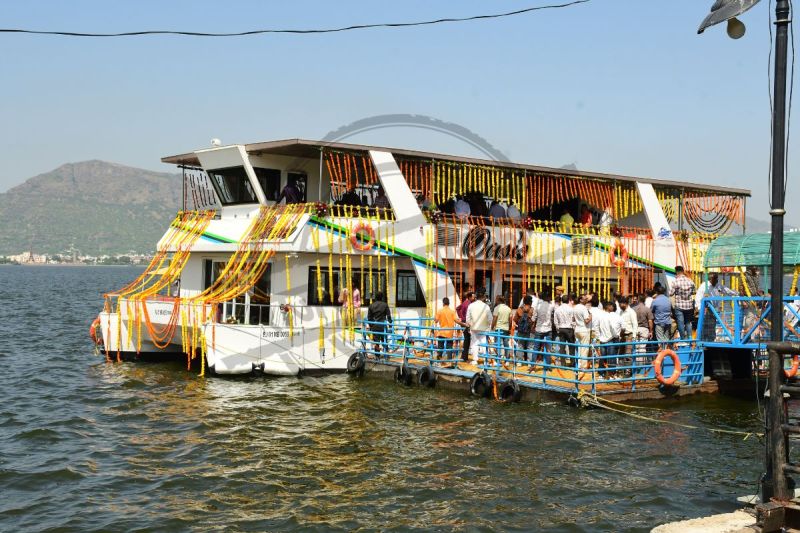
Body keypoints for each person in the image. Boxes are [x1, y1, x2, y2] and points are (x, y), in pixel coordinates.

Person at [466, 288, 492, 365]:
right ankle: (485, 360)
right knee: (484, 343)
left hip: (474, 328)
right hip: (484, 329)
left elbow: (468, 318)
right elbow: (490, 319)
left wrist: (470, 325)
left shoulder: (471, 305)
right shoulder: (486, 306)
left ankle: (475, 360)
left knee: (474, 344)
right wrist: (489, 326)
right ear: (483, 297)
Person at [434, 297, 465, 362]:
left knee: (440, 347)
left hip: (442, 332)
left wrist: (435, 318)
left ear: (443, 303)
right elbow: (456, 320)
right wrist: (464, 324)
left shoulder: (440, 311)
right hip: (449, 332)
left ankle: (438, 360)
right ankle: (449, 361)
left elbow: (436, 321)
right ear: (449, 303)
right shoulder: (452, 311)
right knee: (449, 348)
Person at [669, 266, 696, 340]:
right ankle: (690, 338)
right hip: (689, 306)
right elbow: (694, 292)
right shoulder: (690, 281)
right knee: (688, 322)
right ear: (683, 271)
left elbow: (670, 293)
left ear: (676, 272)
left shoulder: (675, 281)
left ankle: (683, 338)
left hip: (679, 306)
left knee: (680, 322)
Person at [553, 294, 575, 366]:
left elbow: (555, 321)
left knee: (562, 346)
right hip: (569, 329)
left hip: (561, 328)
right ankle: (572, 363)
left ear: (562, 301)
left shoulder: (557, 309)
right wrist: (573, 328)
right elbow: (573, 320)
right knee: (571, 346)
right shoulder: (571, 309)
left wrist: (558, 329)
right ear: (568, 301)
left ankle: (563, 363)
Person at [532, 293, 554, 367]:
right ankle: (548, 366)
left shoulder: (538, 306)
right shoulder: (551, 306)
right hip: (548, 329)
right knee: (548, 348)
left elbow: (533, 318)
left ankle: (533, 366)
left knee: (536, 348)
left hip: (539, 329)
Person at [618, 296, 638, 373]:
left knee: (628, 353)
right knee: (621, 352)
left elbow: (635, 324)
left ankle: (628, 370)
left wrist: (634, 336)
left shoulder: (631, 312)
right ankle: (620, 370)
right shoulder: (620, 312)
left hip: (629, 335)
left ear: (625, 303)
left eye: (620, 304)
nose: (619, 305)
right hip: (622, 335)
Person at [490, 295, 513, 362]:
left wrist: (492, 327)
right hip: (506, 329)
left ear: (498, 300)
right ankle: (507, 359)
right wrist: (509, 328)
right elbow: (510, 320)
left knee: (498, 344)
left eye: (496, 300)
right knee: (506, 344)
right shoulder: (508, 308)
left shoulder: (497, 308)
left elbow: (494, 319)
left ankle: (498, 359)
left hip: (498, 329)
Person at [514, 295, 536, 363]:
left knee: (520, 345)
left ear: (523, 301)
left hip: (520, 331)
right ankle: (530, 362)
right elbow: (535, 320)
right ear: (530, 302)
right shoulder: (532, 310)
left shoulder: (519, 309)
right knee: (530, 347)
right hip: (530, 331)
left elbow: (515, 319)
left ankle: (519, 361)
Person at [573, 294, 591, 369]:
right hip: (584, 330)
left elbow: (573, 319)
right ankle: (583, 366)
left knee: (578, 348)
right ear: (580, 300)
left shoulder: (575, 307)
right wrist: (591, 316)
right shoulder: (584, 308)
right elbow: (586, 321)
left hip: (577, 329)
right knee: (584, 349)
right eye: (585, 299)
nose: (586, 300)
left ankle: (578, 364)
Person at [456, 291, 474, 362]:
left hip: (463, 322)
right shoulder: (469, 304)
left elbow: (457, 308)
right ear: (469, 297)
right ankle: (464, 357)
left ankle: (463, 356)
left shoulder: (464, 303)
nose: (474, 298)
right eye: (473, 297)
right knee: (467, 340)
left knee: (466, 339)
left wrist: (461, 317)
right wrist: (463, 318)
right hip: (466, 323)